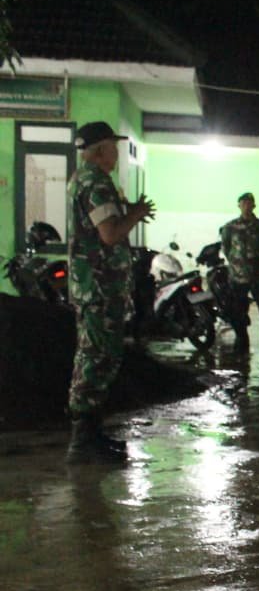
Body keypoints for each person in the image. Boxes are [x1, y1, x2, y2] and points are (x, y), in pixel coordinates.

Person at [65, 121, 155, 463]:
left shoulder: (82, 179)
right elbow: (109, 234)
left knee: (96, 355)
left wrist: (128, 212)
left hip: (94, 285)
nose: (116, 154)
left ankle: (90, 434)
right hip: (99, 286)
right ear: (100, 149)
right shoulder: (95, 182)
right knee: (98, 357)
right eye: (113, 148)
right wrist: (136, 214)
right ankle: (83, 441)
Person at [219, 192, 259, 353]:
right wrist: (237, 263)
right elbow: (226, 248)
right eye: (243, 203)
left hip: (258, 275)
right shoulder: (230, 227)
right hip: (237, 276)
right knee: (238, 310)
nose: (246, 206)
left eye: (249, 203)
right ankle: (241, 339)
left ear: (254, 206)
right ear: (239, 205)